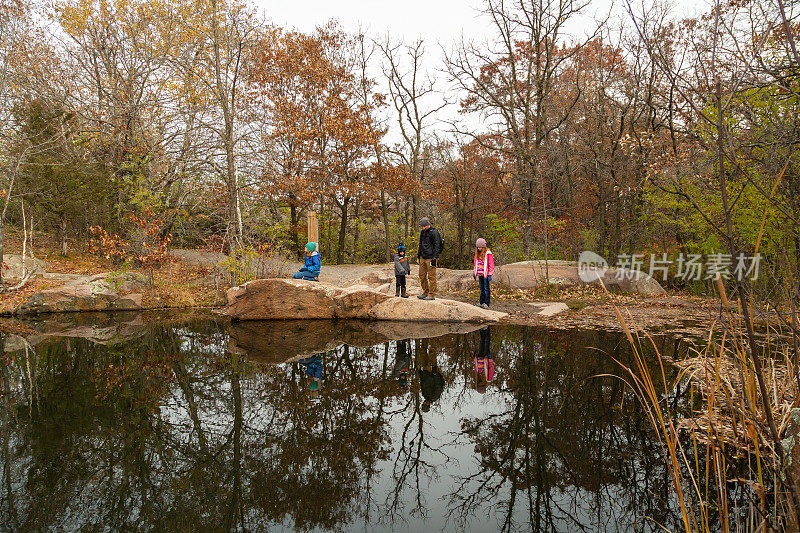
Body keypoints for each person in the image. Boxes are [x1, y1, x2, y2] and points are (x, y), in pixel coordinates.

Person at [416, 217, 444, 300]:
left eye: (424, 226)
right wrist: (418, 255)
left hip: (431, 257)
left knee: (431, 277)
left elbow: (437, 245)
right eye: (422, 227)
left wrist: (435, 257)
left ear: (428, 225)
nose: (423, 228)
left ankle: (431, 294)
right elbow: (420, 243)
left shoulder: (434, 232)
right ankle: (425, 291)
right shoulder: (422, 232)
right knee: (421, 275)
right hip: (423, 257)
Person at [417, 338, 444, 412]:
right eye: (426, 404)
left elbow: (422, 382)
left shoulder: (424, 395)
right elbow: (439, 384)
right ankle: (433, 336)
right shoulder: (434, 397)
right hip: (431, 371)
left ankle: (424, 336)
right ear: (429, 405)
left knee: (422, 351)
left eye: (423, 404)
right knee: (432, 352)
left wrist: (419, 372)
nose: (425, 402)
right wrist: (435, 374)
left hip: (425, 371)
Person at [473, 238, 495, 308]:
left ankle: (486, 303)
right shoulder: (477, 253)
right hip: (480, 274)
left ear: (483, 247)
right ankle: (481, 302)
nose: (479, 248)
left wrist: (490, 274)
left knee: (486, 288)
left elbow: (491, 264)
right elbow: (475, 263)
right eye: (478, 247)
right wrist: (474, 272)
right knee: (481, 288)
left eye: (480, 247)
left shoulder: (488, 253)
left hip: (485, 274)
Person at [474, 327, 494, 393]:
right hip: (486, 358)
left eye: (479, 384)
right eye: (481, 385)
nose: (480, 383)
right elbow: (491, 368)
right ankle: (487, 328)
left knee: (482, 342)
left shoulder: (477, 376)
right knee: (486, 342)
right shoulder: (488, 378)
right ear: (484, 385)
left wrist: (475, 358)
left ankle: (482, 329)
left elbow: (476, 367)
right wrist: (490, 359)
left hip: (479, 358)